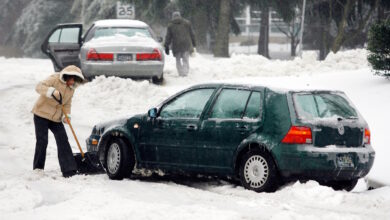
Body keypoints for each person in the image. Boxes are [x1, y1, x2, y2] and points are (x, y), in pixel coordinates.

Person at [31, 65, 84, 178]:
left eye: (76, 80)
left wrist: (67, 116)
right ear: (68, 76)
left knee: (63, 139)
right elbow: (39, 87)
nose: (73, 82)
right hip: (41, 113)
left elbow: (67, 103)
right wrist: (51, 91)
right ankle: (38, 168)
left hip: (56, 118)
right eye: (72, 79)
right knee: (42, 141)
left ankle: (69, 169)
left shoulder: (71, 89)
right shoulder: (54, 78)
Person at [164, 11, 196, 76]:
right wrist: (194, 43)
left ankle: (181, 73)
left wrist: (166, 45)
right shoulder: (187, 23)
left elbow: (168, 37)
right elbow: (192, 34)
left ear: (173, 17)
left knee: (178, 60)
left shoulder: (170, 25)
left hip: (176, 45)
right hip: (186, 44)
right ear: (180, 16)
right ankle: (185, 72)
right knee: (185, 59)